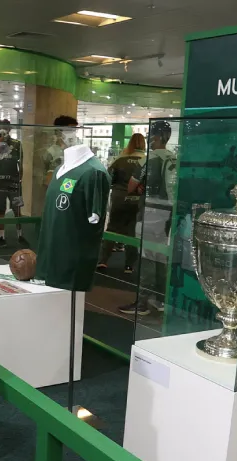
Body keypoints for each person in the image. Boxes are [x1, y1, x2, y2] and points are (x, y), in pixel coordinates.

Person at [119, 121, 176, 316]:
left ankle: (142, 302)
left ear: (157, 137)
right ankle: (160, 299)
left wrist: (140, 187)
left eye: (151, 135)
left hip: (151, 212)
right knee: (161, 256)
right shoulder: (174, 158)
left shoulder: (149, 159)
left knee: (146, 257)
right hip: (169, 214)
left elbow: (131, 186)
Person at [97, 133, 145, 275]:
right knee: (132, 231)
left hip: (119, 197)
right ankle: (129, 265)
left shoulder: (120, 160)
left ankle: (103, 260)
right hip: (137, 199)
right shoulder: (145, 160)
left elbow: (108, 178)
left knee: (112, 227)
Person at [0, 119, 27, 248]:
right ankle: (1, 238)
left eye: (6, 127)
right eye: (1, 127)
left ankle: (20, 235)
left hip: (14, 183)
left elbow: (21, 163)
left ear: (10, 128)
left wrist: (19, 179)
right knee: (0, 210)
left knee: (17, 209)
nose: (3, 129)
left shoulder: (17, 144)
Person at [44, 115, 78, 186]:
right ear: (59, 132)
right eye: (70, 130)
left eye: (74, 131)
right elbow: (48, 181)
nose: (73, 134)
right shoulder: (51, 152)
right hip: (60, 193)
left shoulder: (73, 150)